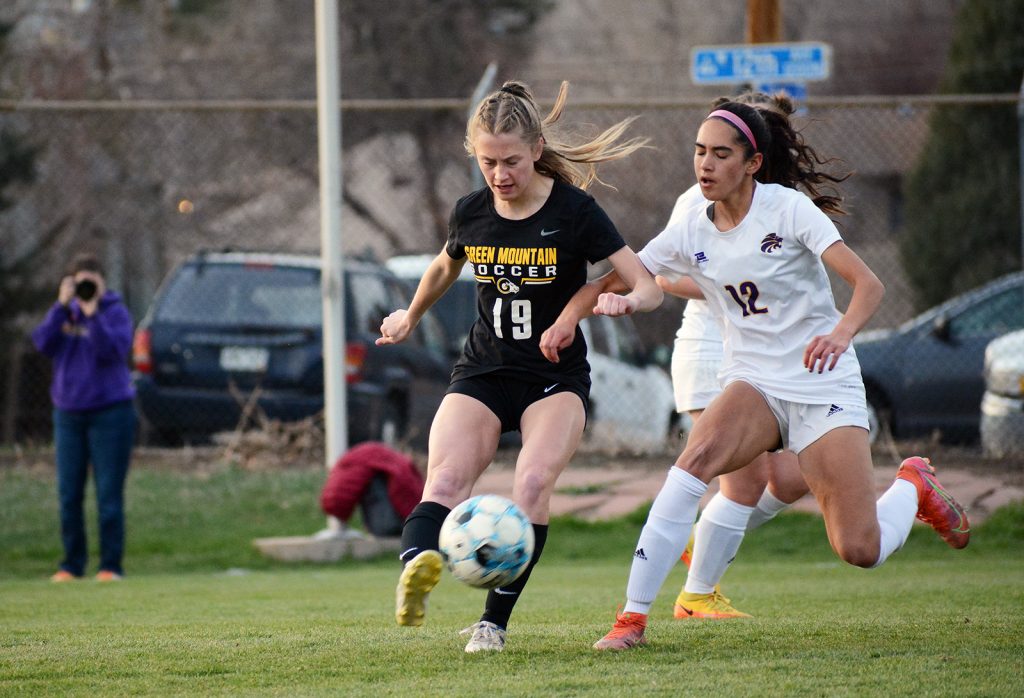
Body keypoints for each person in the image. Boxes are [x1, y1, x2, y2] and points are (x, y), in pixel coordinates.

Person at [540, 100, 970, 650]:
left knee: (859, 549)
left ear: (753, 163)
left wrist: (840, 334)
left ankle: (912, 483)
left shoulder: (787, 209)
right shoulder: (690, 220)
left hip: (821, 384)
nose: (705, 164)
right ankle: (631, 621)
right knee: (693, 462)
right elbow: (618, 278)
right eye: (699, 152)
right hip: (755, 384)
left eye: (721, 154)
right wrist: (571, 317)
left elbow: (869, 286)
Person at [376, 79, 661, 653]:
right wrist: (409, 315)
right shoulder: (471, 212)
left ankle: (492, 624)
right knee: (445, 481)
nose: (500, 175)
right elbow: (443, 266)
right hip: (483, 370)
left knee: (532, 483)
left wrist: (621, 300)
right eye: (488, 162)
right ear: (474, 156)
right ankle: (419, 565)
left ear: (535, 149)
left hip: (552, 379)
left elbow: (647, 285)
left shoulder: (576, 212)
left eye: (511, 161)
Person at [666, 91, 855, 620]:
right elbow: (658, 274)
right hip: (713, 352)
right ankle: (695, 591)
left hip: (773, 365)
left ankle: (698, 540)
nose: (715, 158)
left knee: (793, 480)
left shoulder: (777, 203)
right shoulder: (698, 201)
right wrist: (728, 283)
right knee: (743, 484)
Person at [31, 252, 136, 583]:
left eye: (92, 281)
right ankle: (71, 565)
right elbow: (43, 344)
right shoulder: (64, 312)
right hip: (69, 413)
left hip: (111, 412)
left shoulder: (115, 313)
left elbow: (113, 351)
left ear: (103, 282)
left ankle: (110, 566)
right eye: (81, 282)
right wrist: (61, 307)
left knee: (108, 495)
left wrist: (93, 315)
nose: (87, 288)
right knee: (69, 495)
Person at [320, 441, 424, 538]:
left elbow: (337, 498)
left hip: (396, 524)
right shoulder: (372, 461)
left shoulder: (356, 464)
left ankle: (389, 526)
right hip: (413, 517)